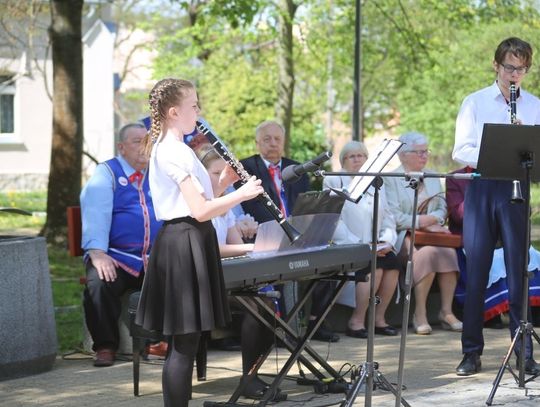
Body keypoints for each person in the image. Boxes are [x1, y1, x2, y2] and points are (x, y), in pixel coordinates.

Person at [134, 78, 263, 407]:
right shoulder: (172, 151)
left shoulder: (179, 148)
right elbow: (201, 210)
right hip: (183, 242)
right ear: (174, 112)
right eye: (193, 106)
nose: (199, 111)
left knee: (188, 342)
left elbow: (205, 198)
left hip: (190, 238)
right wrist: (243, 196)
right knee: (183, 344)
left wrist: (224, 183)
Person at [453, 37, 540, 376]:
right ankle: (471, 353)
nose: (514, 74)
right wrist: (497, 148)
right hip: (482, 188)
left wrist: (523, 145)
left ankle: (524, 353)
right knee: (477, 273)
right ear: (496, 65)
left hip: (516, 189)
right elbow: (460, 150)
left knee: (519, 272)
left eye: (521, 68)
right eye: (509, 67)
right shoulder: (474, 102)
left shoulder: (534, 105)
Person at [195, 144, 285, 401]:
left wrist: (259, 248)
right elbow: (215, 248)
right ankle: (249, 379)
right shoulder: (200, 203)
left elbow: (234, 244)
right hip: (201, 280)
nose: (221, 179)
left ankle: (252, 375)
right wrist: (253, 246)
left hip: (224, 277)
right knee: (257, 308)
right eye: (215, 174)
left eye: (225, 174)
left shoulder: (226, 204)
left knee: (267, 303)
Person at [239, 121, 338, 342]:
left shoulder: (297, 169)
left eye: (277, 139)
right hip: (265, 235)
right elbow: (247, 208)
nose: (273, 143)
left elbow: (304, 204)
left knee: (332, 261)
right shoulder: (245, 168)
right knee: (283, 271)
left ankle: (316, 323)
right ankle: (284, 329)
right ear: (257, 143)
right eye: (267, 139)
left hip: (298, 234)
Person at [80, 123, 164, 367]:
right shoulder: (107, 172)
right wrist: (97, 252)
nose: (144, 147)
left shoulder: (158, 173)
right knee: (98, 283)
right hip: (118, 257)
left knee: (179, 277)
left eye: (147, 141)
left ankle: (161, 343)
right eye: (137, 141)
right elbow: (96, 211)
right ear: (122, 147)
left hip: (154, 257)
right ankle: (106, 346)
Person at [385, 131, 462, 336]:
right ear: (402, 155)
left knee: (449, 253)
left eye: (425, 151)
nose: (424, 156)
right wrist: (422, 222)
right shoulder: (390, 179)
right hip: (402, 235)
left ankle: (446, 312)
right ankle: (420, 313)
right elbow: (393, 215)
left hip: (432, 235)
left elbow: (442, 207)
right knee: (428, 254)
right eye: (418, 152)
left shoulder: (434, 176)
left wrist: (434, 219)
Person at [325, 141, 400, 339]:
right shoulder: (334, 181)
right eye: (352, 156)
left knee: (392, 263)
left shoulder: (376, 182)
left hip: (377, 245)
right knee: (372, 267)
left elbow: (389, 216)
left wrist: (386, 241)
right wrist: (362, 246)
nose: (357, 159)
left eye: (361, 155)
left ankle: (379, 319)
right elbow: (334, 220)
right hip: (350, 246)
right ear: (343, 161)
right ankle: (356, 321)